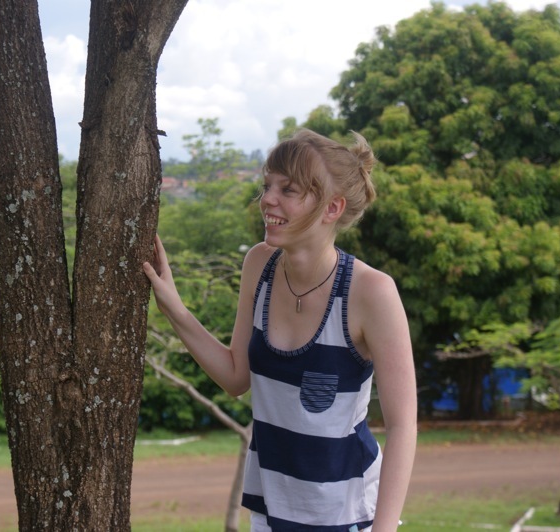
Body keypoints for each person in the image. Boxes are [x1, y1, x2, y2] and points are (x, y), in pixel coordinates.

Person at [143, 128, 417, 531]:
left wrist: (384, 529)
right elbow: (237, 376)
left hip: (347, 515)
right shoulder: (260, 265)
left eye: (288, 190)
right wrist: (175, 309)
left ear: (332, 208)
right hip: (271, 512)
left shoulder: (372, 292)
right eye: (267, 185)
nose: (267, 199)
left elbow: (402, 424)